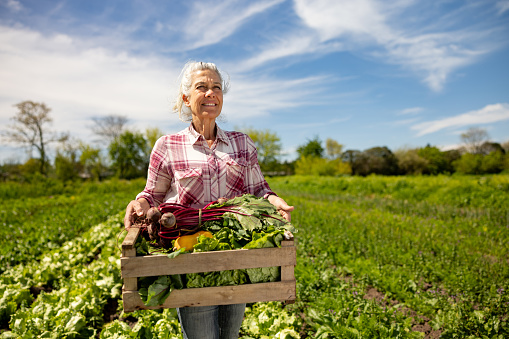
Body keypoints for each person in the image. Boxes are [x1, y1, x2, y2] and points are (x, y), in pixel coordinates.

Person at [124, 61, 294, 339]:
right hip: (189, 260)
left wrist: (274, 201)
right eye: (201, 87)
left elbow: (260, 189)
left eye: (216, 88)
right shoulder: (167, 145)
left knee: (230, 335)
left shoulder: (242, 144)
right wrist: (139, 204)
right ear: (186, 98)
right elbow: (151, 195)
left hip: (234, 255)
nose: (210, 93)